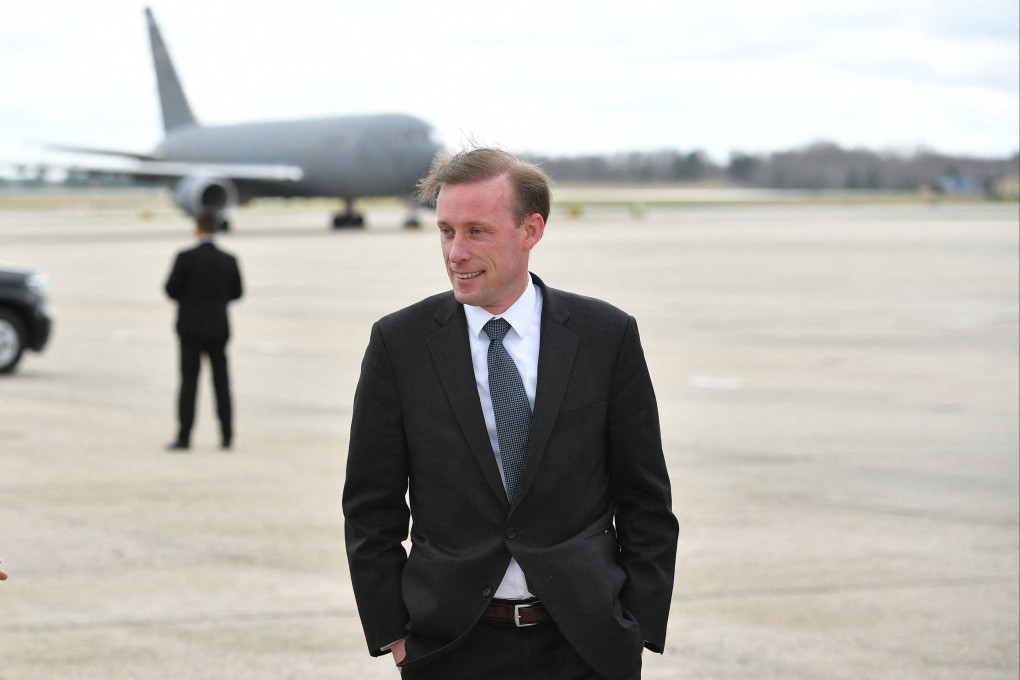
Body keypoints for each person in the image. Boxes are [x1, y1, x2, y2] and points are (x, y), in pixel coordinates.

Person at [343, 148, 679, 680]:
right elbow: (370, 508)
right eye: (446, 231)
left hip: (586, 645)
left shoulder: (605, 335)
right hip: (449, 648)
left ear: (531, 230)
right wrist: (397, 637)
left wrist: (635, 628)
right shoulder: (399, 343)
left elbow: (646, 500)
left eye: (477, 231)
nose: (456, 252)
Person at [164, 213, 243, 451]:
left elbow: (171, 289)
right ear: (216, 229)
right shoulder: (228, 259)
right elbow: (237, 292)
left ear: (197, 229)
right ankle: (227, 436)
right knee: (222, 384)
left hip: (190, 329)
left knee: (189, 383)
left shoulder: (185, 257)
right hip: (218, 328)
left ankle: (184, 436)